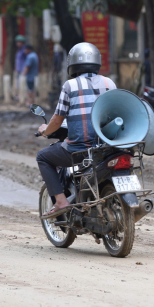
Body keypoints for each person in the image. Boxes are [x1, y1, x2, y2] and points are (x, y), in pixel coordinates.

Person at [36, 42, 116, 218]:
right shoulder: (109, 82)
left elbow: (57, 120)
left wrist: (45, 131)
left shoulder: (70, 85)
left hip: (80, 149)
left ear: (72, 65)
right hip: (108, 147)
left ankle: (61, 201)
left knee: (42, 157)